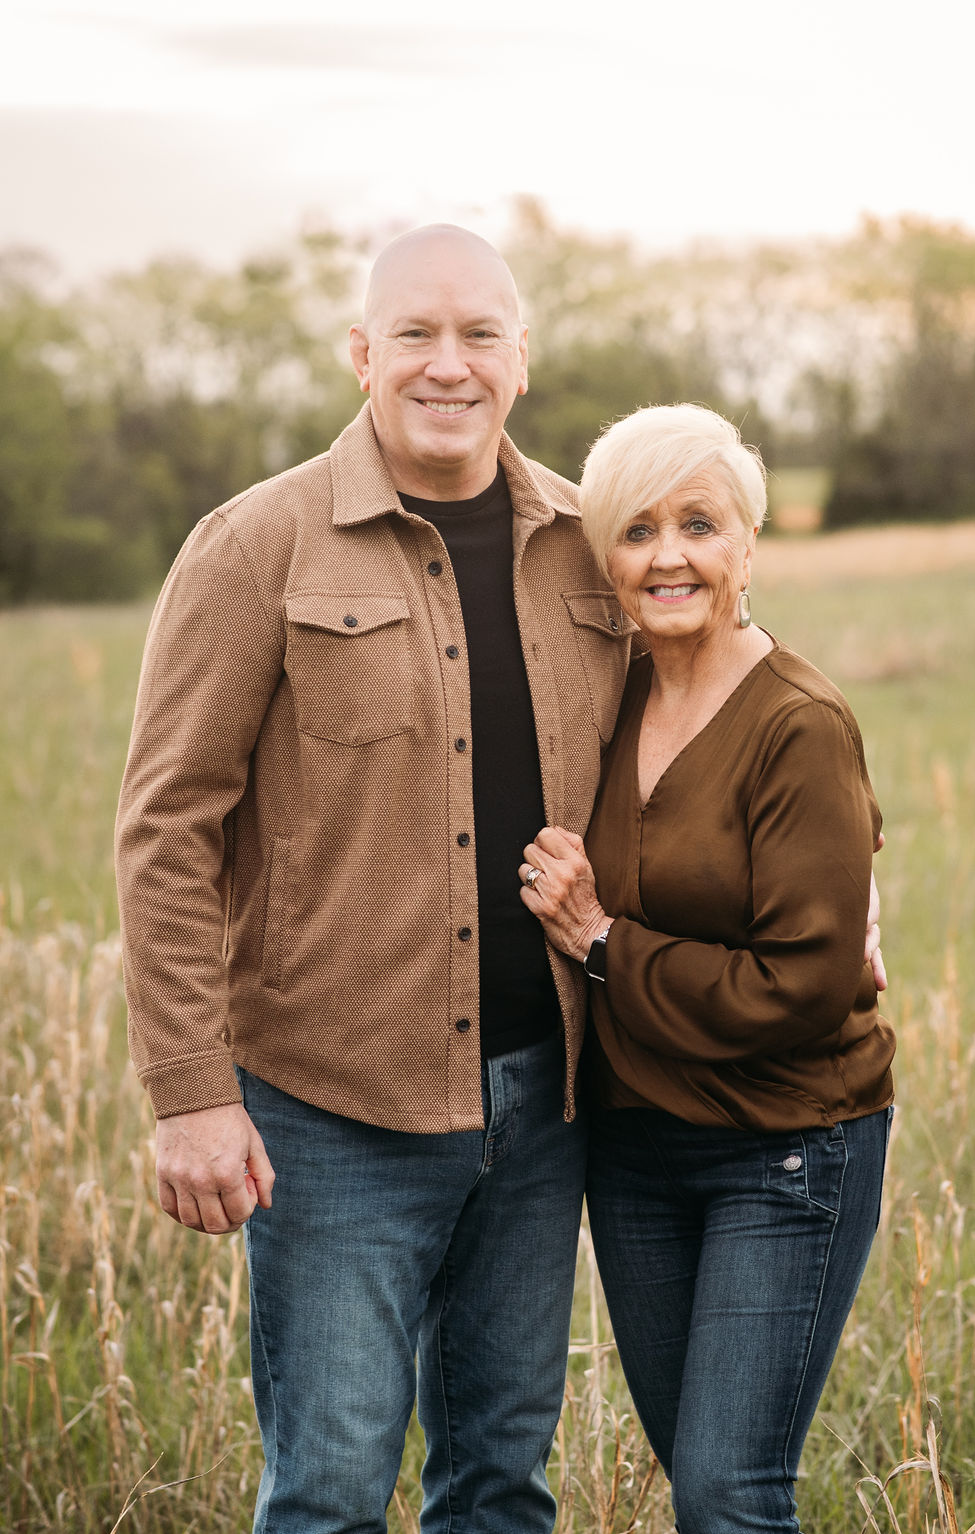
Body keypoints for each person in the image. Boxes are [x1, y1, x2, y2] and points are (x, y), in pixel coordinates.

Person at [114, 224, 636, 1534]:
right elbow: (167, 823)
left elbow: (711, 744)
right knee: (333, 1490)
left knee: (503, 1485)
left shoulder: (597, 544)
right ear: (361, 355)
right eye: (414, 333)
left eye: (478, 336)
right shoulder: (256, 545)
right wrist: (190, 1094)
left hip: (543, 1105)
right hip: (331, 1118)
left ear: (524, 359)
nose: (445, 365)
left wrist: (826, 889)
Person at [519, 403, 896, 1534]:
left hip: (784, 1147)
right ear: (605, 562)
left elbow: (804, 985)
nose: (668, 554)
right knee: (699, 1479)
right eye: (635, 530)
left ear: (747, 545)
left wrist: (601, 942)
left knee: (732, 1495)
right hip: (634, 1150)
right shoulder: (603, 696)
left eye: (699, 522)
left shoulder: (797, 723)